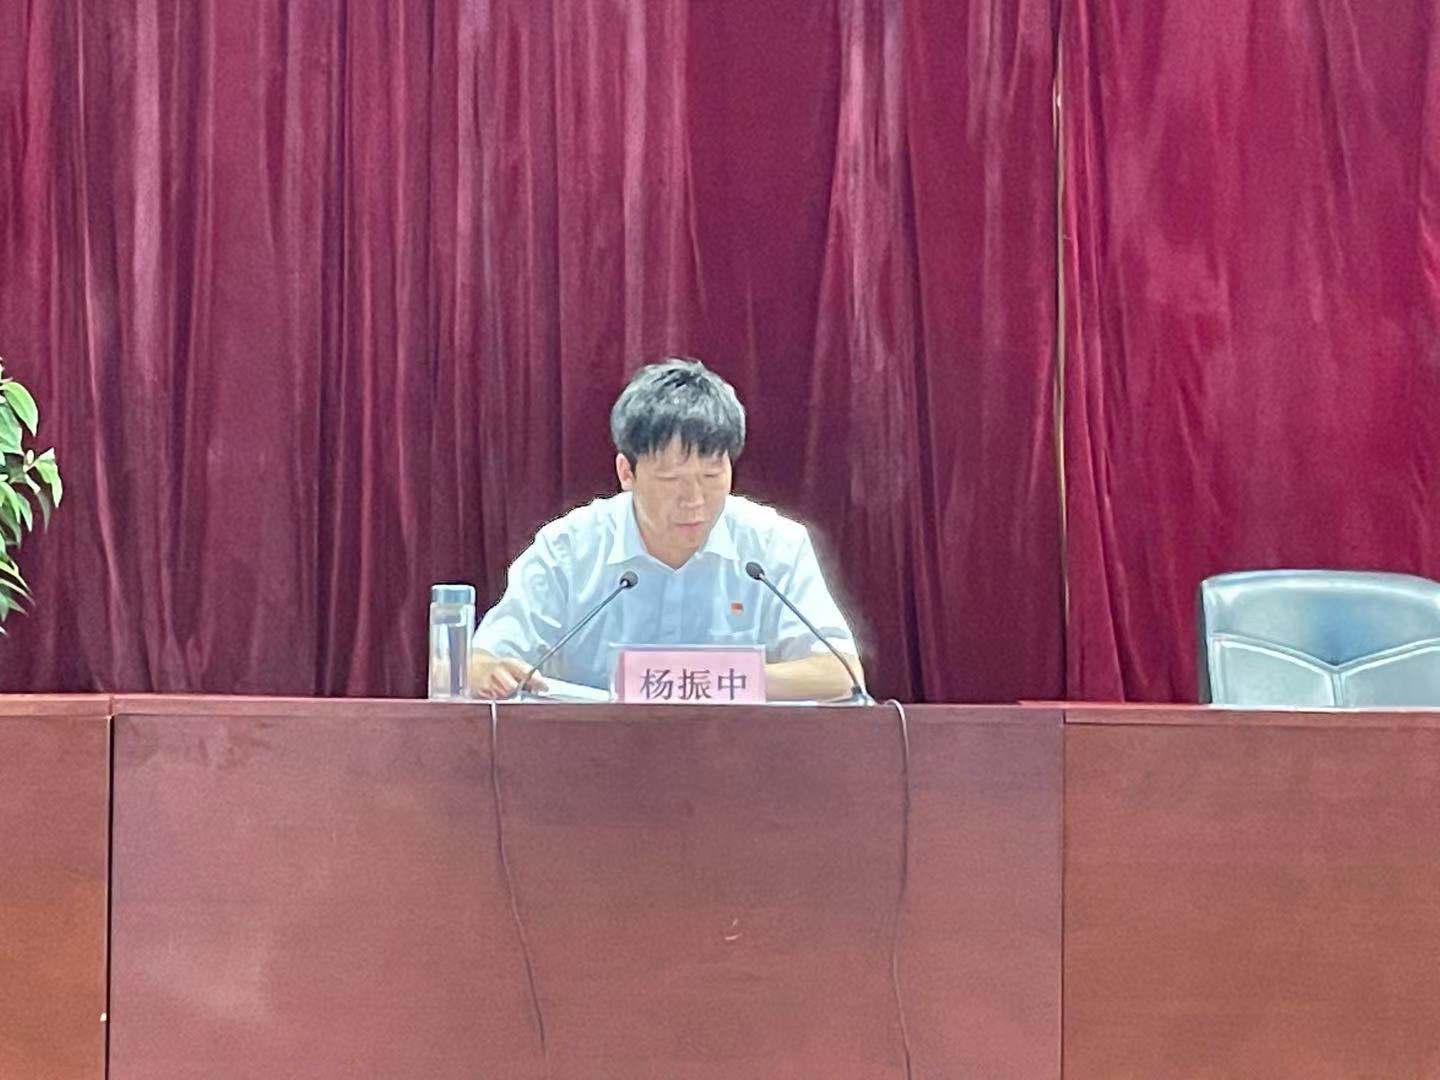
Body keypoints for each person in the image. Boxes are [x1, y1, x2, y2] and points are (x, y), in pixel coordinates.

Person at [470, 358, 865, 701]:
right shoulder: (568, 550)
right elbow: (482, 661)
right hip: (594, 755)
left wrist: (700, 681)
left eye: (711, 476)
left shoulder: (775, 547)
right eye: (671, 479)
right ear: (627, 473)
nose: (694, 499)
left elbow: (841, 674)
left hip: (735, 757)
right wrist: (489, 672)